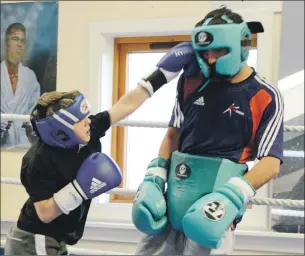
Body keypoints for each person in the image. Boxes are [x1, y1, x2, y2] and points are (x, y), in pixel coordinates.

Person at [3, 38, 198, 255]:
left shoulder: (88, 131)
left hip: (57, 238)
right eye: (81, 119)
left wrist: (160, 75)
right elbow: (45, 213)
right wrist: (80, 188)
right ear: (61, 131)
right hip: (33, 240)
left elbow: (125, 106)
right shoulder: (38, 160)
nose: (88, 121)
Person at [132, 6, 284, 255]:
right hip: (172, 199)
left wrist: (232, 197)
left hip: (214, 208)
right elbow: (173, 135)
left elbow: (271, 162)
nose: (211, 58)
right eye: (204, 52)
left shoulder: (264, 95)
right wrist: (155, 175)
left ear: (242, 45)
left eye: (218, 50)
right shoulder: (190, 81)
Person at [1, 22, 40, 148]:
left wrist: (32, 127)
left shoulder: (30, 77)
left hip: (24, 146)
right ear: (6, 44)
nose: (19, 44)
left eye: (22, 41)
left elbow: (35, 111)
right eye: (15, 39)